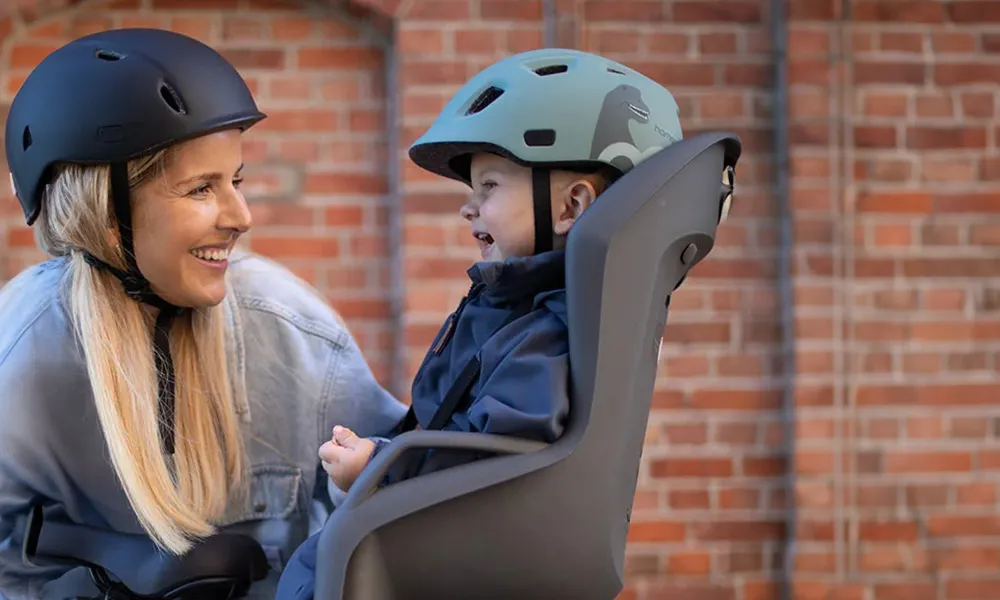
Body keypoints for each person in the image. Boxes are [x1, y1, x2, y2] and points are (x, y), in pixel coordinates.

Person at [0, 28, 406, 599]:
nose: (241, 216)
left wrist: (366, 482)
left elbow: (409, 504)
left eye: (235, 180)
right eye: (200, 189)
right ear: (104, 213)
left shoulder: (289, 327)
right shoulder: (20, 356)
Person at [274, 47, 684, 600]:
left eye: (489, 186)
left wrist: (382, 464)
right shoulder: (518, 309)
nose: (469, 207)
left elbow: (497, 460)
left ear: (571, 207)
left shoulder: (549, 334)